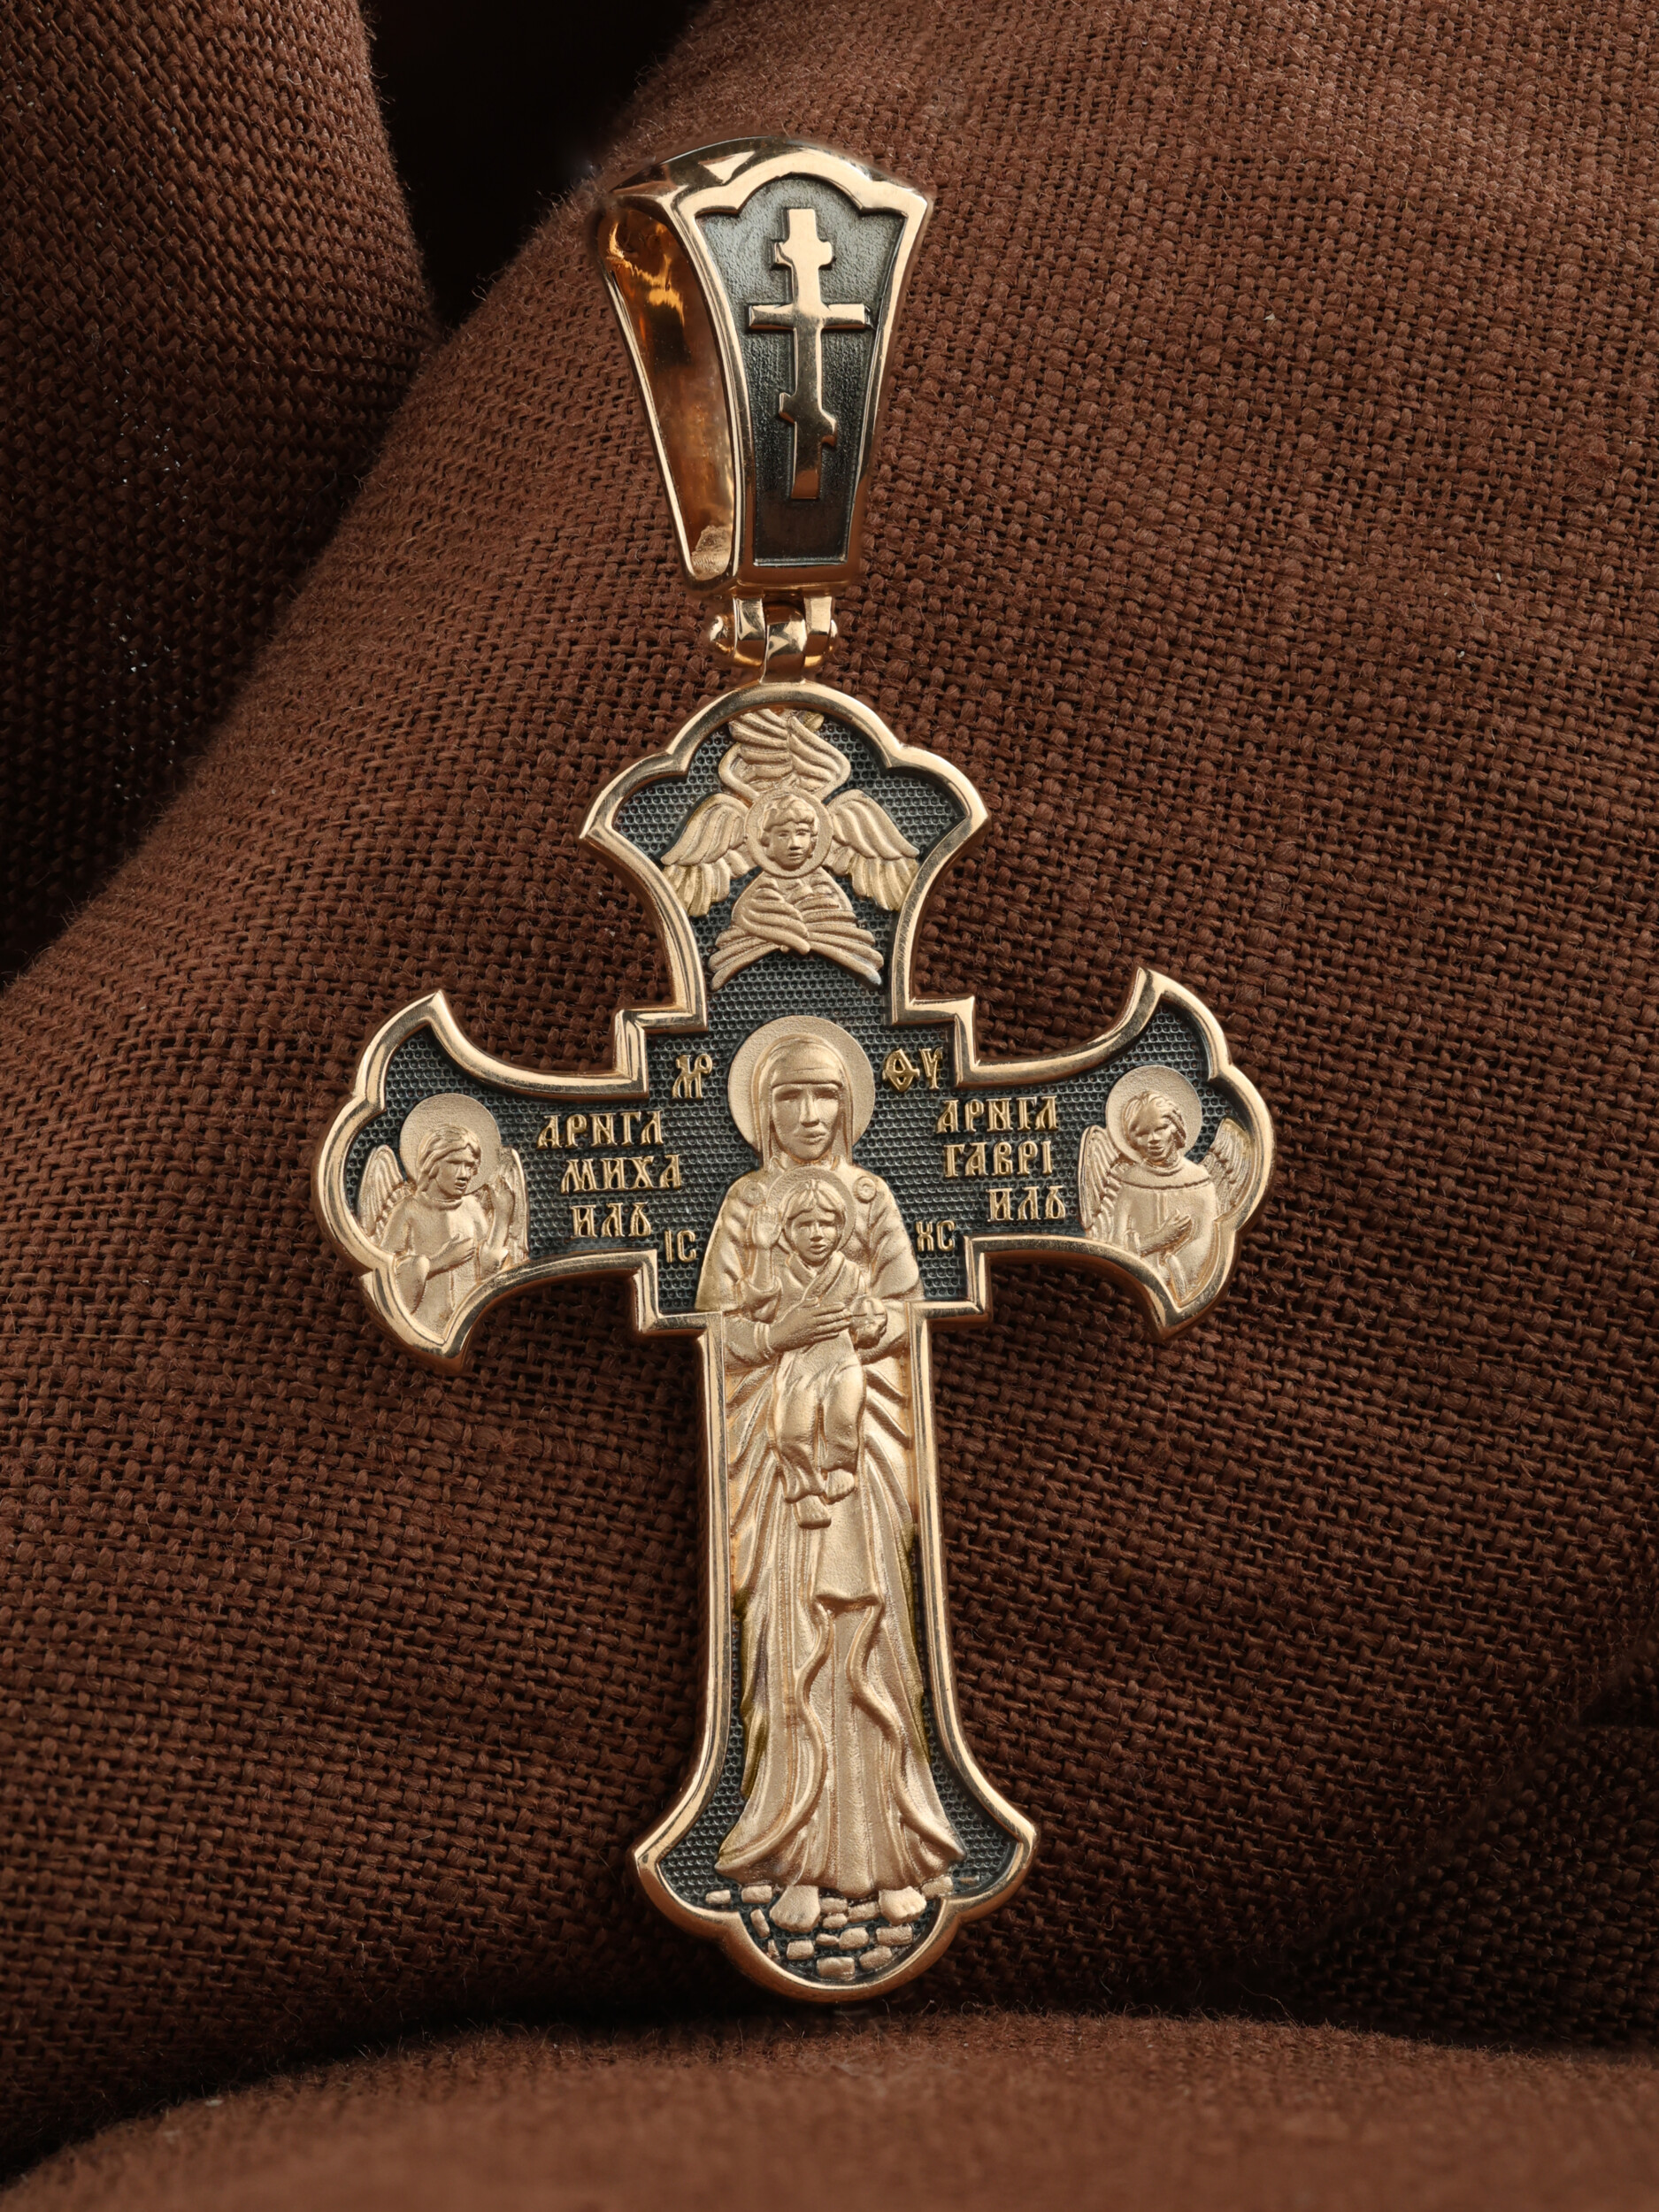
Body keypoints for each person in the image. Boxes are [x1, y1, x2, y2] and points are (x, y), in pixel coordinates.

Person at [697, 1026, 961, 1933]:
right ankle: (796, 1852)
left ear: (848, 1105)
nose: (809, 1115)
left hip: (865, 1452)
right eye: (789, 1097)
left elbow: (906, 1306)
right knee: (790, 1638)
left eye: (824, 1096)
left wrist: (861, 1323)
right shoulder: (744, 1205)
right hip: (777, 1461)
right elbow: (716, 1325)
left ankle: (891, 1852)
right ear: (762, 1109)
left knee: (872, 1630)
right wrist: (779, 1333)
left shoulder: (872, 1196)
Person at [739, 1168, 885, 1529]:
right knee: (791, 1430)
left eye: (826, 1224)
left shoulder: (851, 1272)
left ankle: (841, 1465)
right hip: (797, 1367)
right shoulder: (781, 1272)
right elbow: (759, 1308)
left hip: (842, 1360)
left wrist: (871, 1322)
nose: (817, 1234)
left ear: (840, 1228)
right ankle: (803, 1491)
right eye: (805, 1225)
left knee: (845, 1414)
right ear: (787, 1232)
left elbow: (865, 1310)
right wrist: (761, 1249)